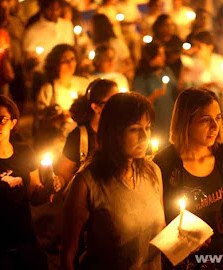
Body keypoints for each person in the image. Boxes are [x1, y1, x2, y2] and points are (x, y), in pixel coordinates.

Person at [61, 92, 165, 270]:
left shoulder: (152, 172)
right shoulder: (87, 182)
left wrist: (186, 238)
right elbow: (68, 255)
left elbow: (159, 230)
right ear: (113, 131)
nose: (144, 136)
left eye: (147, 127)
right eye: (134, 129)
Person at [0, 95, 60, 269]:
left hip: (26, 240)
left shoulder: (25, 153)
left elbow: (34, 196)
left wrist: (48, 190)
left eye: (2, 120)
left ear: (13, 122)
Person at [153, 88, 223, 261]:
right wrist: (185, 241)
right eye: (205, 120)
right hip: (182, 260)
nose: (215, 127)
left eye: (217, 118)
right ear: (186, 122)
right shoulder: (165, 162)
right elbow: (158, 223)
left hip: (222, 257)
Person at [56, 79, 118, 189]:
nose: (119, 105)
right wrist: (56, 183)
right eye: (113, 101)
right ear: (96, 107)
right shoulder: (79, 136)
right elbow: (63, 174)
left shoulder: (121, 132)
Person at [35, 44, 90, 152]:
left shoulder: (84, 83)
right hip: (57, 145)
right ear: (55, 64)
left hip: (82, 141)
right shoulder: (49, 89)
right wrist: (59, 117)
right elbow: (39, 123)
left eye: (72, 59)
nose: (70, 64)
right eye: (65, 60)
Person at [133, 42, 177, 144]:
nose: (164, 57)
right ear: (151, 57)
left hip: (170, 118)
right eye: (160, 55)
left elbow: (175, 91)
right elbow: (138, 104)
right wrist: (154, 96)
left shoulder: (166, 71)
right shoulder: (142, 77)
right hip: (154, 122)